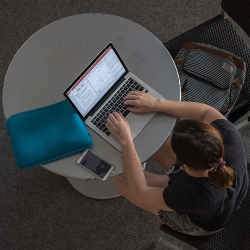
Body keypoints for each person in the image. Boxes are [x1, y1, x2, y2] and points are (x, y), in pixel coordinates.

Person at [105, 91, 249, 236]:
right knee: (153, 149)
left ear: (184, 165)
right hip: (223, 196)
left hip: (201, 223)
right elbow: (205, 111)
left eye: (174, 146)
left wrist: (126, 141)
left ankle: (161, 199)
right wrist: (156, 103)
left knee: (119, 179)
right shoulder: (229, 138)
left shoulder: (192, 195)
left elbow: (140, 192)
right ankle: (165, 184)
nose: (169, 136)